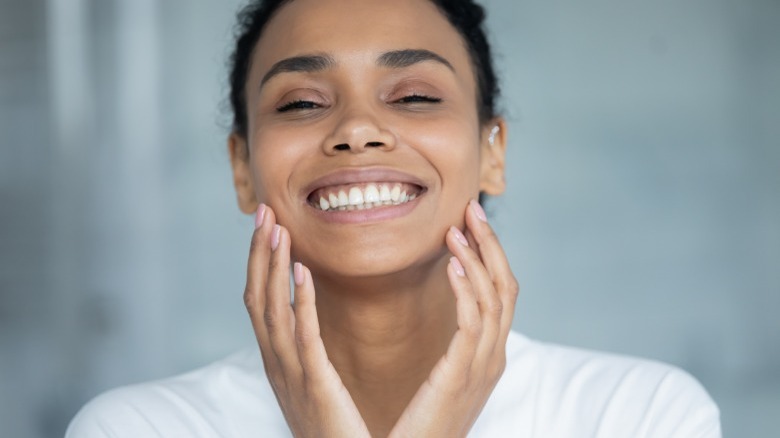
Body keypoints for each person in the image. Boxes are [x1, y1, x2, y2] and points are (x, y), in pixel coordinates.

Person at [66, 0, 721, 436]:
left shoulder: (636, 416)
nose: (357, 128)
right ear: (242, 167)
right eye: (299, 104)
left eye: (413, 95)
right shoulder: (140, 428)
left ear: (493, 150)